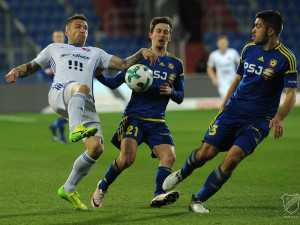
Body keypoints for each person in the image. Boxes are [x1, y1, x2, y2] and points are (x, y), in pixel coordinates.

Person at [5, 14, 158, 210]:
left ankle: (68, 188)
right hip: (61, 93)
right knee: (82, 87)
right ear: (67, 31)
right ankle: (74, 127)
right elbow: (32, 66)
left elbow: (123, 65)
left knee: (96, 148)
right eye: (78, 27)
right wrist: (16, 71)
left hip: (85, 103)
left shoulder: (95, 52)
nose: (83, 30)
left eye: (85, 28)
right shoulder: (54, 48)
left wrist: (141, 52)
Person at [163, 10, 297, 213]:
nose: (253, 30)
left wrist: (278, 117)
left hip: (258, 120)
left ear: (270, 31)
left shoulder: (286, 58)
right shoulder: (248, 50)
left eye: (257, 26)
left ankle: (197, 200)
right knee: (205, 154)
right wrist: (223, 106)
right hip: (233, 111)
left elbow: (290, 94)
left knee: (232, 159)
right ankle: (182, 173)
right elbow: (237, 80)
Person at [91, 16, 184, 208]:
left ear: (170, 37)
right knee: (126, 160)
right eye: (158, 31)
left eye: (166, 32)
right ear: (151, 34)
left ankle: (159, 194)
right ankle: (103, 186)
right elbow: (113, 82)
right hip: (134, 117)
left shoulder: (176, 65)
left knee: (170, 156)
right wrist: (98, 73)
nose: (162, 35)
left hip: (157, 120)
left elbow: (180, 96)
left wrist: (171, 91)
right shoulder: (138, 61)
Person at [44, 30, 68, 144]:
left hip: (68, 85)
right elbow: (41, 65)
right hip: (56, 87)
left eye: (60, 36)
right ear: (53, 39)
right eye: (57, 37)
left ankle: (54, 126)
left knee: (69, 114)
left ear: (64, 38)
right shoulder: (49, 51)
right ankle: (62, 138)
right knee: (63, 113)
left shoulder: (69, 50)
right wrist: (47, 70)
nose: (59, 39)